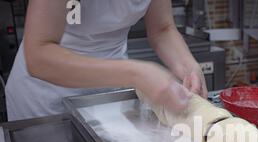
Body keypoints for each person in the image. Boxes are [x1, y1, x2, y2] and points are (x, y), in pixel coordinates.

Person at [5, 0, 207, 121]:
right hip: (46, 95)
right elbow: (39, 56)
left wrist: (189, 67)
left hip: (109, 92)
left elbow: (162, 29)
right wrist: (135, 74)